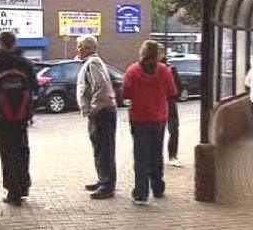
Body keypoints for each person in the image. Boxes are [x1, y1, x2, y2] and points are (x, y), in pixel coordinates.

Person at [122, 40, 177, 205]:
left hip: (139, 118)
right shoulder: (163, 70)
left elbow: (126, 93)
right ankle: (158, 188)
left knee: (140, 156)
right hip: (159, 118)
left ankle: (141, 193)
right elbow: (172, 91)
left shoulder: (133, 70)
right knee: (156, 153)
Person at [0, 31, 37, 206]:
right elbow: (34, 87)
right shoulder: (25, 63)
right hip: (22, 115)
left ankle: (12, 192)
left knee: (7, 153)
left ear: (0, 43)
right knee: (22, 150)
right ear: (15, 43)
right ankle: (23, 186)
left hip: (2, 116)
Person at [76, 35, 117, 199]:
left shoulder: (93, 63)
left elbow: (100, 87)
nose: (76, 49)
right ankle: (103, 180)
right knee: (100, 148)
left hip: (102, 112)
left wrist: (93, 110)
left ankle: (107, 184)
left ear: (87, 48)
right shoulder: (92, 62)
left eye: (78, 46)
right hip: (101, 112)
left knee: (104, 148)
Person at [158, 44, 182, 167]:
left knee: (173, 129)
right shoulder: (164, 69)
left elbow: (178, 86)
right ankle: (166, 156)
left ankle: (172, 155)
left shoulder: (170, 68)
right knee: (160, 129)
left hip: (169, 102)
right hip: (161, 102)